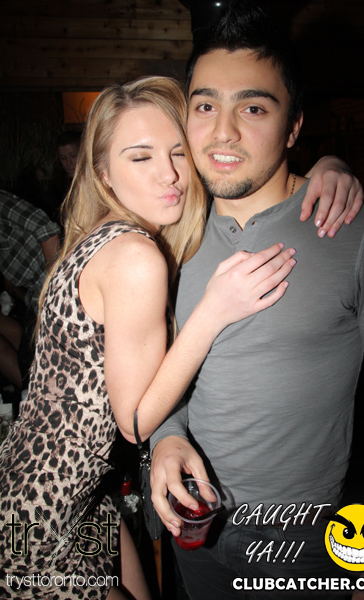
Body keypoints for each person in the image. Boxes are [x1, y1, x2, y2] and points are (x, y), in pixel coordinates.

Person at [0, 75, 303, 600]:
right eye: (141, 157)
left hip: (65, 492)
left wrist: (324, 169)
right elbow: (136, 422)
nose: (170, 175)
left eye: (178, 152)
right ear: (103, 173)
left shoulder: (102, 235)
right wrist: (214, 310)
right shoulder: (136, 257)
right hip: (41, 518)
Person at [149, 3, 364, 599]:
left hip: (306, 544)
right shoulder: (166, 233)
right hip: (195, 530)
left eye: (253, 108)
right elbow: (162, 373)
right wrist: (166, 437)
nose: (223, 132)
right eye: (205, 106)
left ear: (294, 127)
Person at [0, 190, 60, 391]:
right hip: (36, 297)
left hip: (53, 293)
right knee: (31, 364)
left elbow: (46, 230)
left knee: (37, 373)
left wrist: (55, 289)